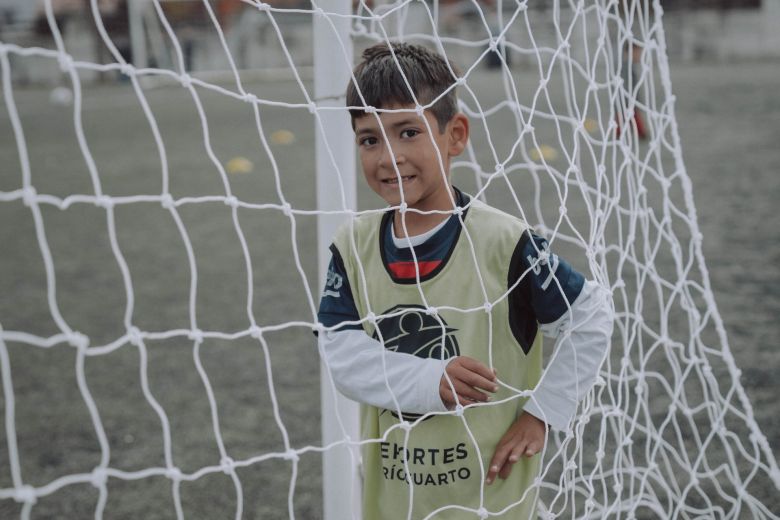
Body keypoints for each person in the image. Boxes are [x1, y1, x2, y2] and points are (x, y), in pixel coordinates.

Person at [317, 42, 613, 519]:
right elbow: (340, 351)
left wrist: (543, 413)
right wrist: (429, 380)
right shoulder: (353, 244)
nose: (389, 157)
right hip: (396, 499)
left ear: (454, 135)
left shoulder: (503, 242)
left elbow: (591, 317)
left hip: (488, 499)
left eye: (408, 132)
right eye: (370, 139)